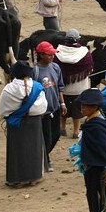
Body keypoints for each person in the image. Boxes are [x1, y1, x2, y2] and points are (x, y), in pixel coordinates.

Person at [0, 60, 48, 186]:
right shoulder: (37, 87)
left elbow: (4, 108)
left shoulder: (9, 89)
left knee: (17, 150)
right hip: (34, 122)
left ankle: (16, 179)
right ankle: (34, 177)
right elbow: (42, 107)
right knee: (34, 148)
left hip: (16, 123)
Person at [33, 41, 66, 171]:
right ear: (41, 55)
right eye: (49, 54)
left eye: (53, 54)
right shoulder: (34, 71)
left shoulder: (55, 67)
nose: (52, 57)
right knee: (46, 137)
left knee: (56, 135)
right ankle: (45, 160)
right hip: (43, 111)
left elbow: (60, 87)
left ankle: (43, 156)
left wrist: (62, 102)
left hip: (55, 107)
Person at [55, 29, 94, 138]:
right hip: (79, 88)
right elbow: (90, 68)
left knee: (63, 108)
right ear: (77, 40)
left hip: (63, 88)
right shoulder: (84, 52)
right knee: (77, 111)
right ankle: (76, 131)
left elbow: (55, 68)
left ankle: (62, 128)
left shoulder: (58, 51)